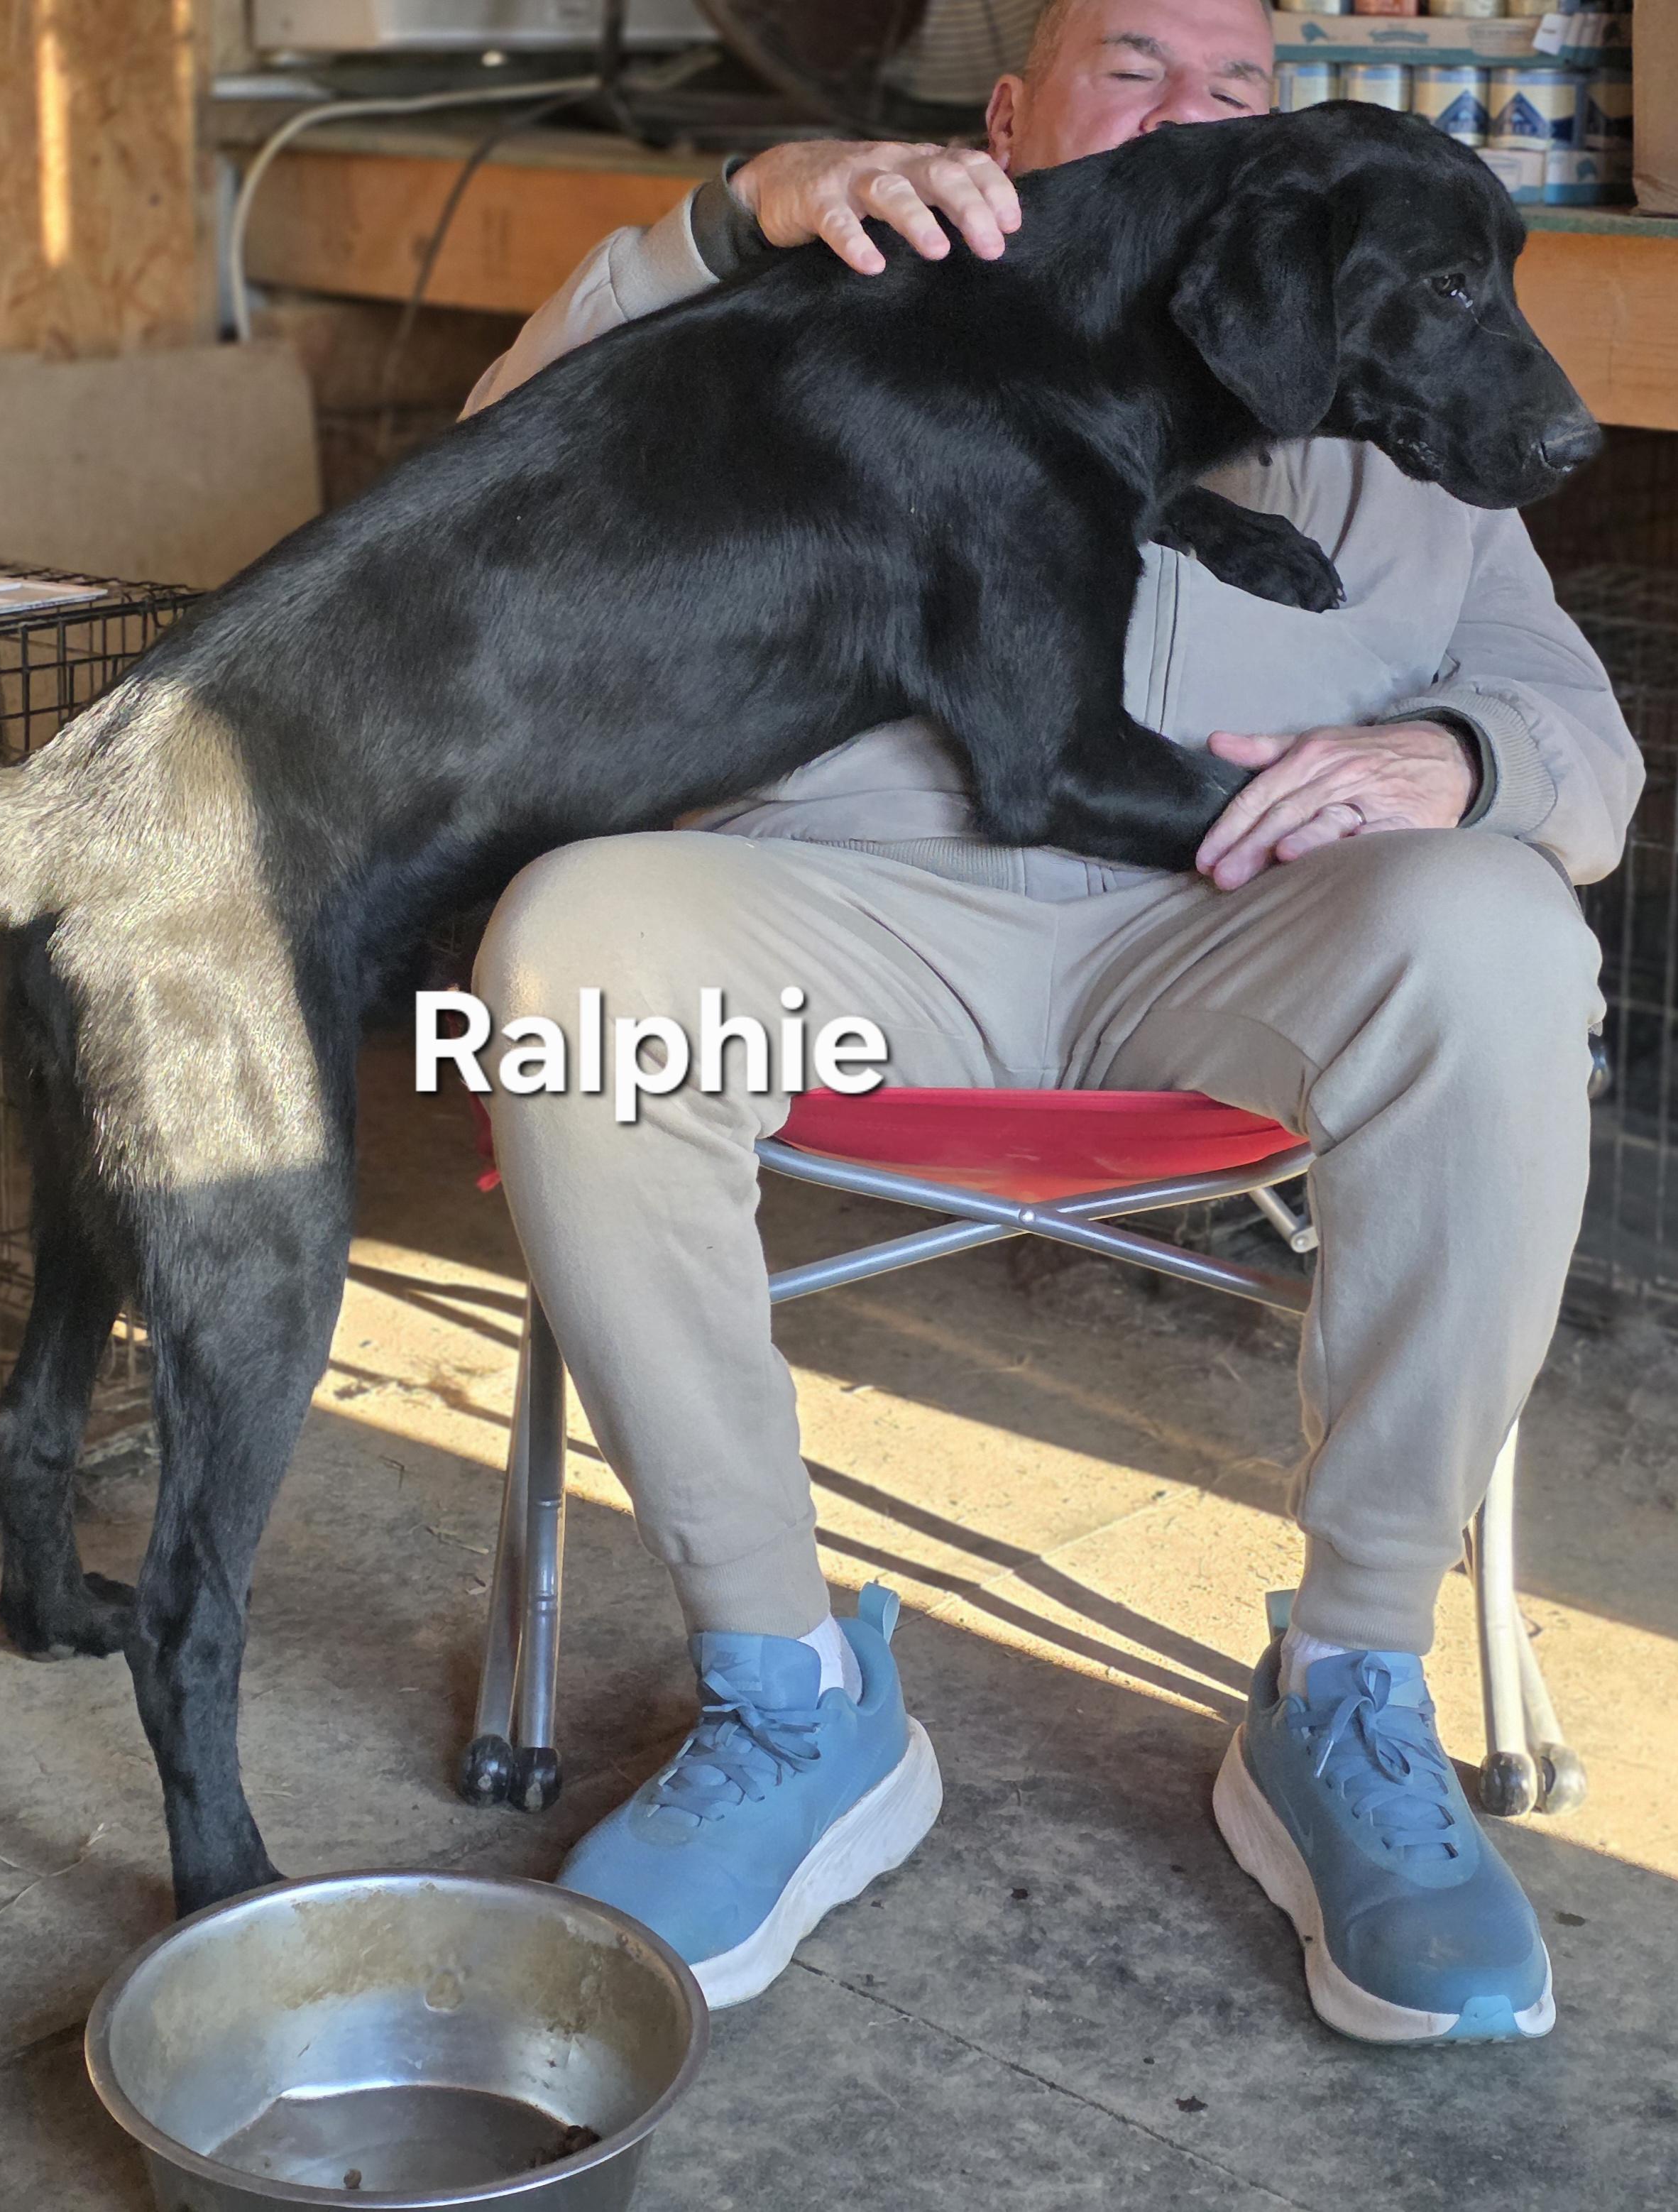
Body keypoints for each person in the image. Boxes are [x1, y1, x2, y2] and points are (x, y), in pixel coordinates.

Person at [461, 0, 1643, 2042]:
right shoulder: (855, 296)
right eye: (1131, 67)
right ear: (1005, 121)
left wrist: (1458, 760)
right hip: (844, 914)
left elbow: (1584, 754)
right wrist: (729, 224)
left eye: (1240, 83)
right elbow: (488, 483)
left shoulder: (1389, 377)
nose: (1195, 116)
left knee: (1507, 936)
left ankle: (1348, 1689)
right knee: (569, 953)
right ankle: (786, 1693)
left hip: (1228, 936)